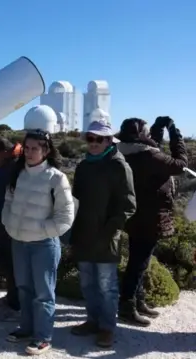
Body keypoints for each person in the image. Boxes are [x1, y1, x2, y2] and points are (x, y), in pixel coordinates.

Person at [2, 129, 74, 356]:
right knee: (24, 288)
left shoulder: (56, 178)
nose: (30, 152)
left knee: (44, 293)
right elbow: (8, 201)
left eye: (35, 148)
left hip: (43, 245)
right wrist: (8, 223)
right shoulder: (18, 173)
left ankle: (43, 337)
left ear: (46, 150)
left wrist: (44, 230)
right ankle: (27, 328)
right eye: (27, 148)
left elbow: (66, 215)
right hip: (19, 241)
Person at [69, 121, 136, 348]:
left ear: (109, 140)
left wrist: (109, 232)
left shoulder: (119, 166)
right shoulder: (83, 166)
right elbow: (75, 201)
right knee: (88, 284)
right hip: (83, 235)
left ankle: (107, 328)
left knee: (107, 286)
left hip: (106, 238)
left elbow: (128, 205)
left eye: (100, 139)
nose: (94, 143)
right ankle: (92, 321)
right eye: (91, 138)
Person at [116, 116, 188, 326]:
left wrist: (157, 128)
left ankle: (137, 300)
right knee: (139, 263)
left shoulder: (127, 152)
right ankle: (127, 305)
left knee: (138, 261)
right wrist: (175, 133)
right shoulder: (150, 158)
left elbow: (150, 146)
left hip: (135, 217)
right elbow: (180, 164)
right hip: (150, 218)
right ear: (141, 134)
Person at [0, 138, 22, 322]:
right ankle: (11, 298)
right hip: (2, 224)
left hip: (10, 226)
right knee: (7, 264)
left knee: (13, 265)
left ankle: (16, 306)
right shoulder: (7, 166)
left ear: (4, 152)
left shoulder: (14, 169)